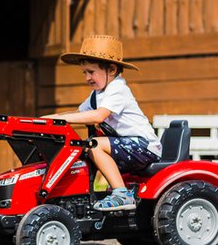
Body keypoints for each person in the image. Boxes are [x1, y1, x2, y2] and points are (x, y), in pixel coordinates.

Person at [44, 35, 161, 211]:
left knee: (94, 145)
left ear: (112, 69)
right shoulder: (97, 94)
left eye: (91, 72)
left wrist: (58, 119)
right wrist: (49, 119)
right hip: (127, 146)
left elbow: (98, 116)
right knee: (81, 148)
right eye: (84, 72)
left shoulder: (117, 88)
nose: (87, 78)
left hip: (144, 147)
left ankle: (122, 194)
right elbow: (80, 114)